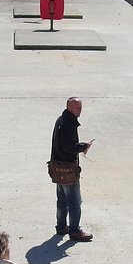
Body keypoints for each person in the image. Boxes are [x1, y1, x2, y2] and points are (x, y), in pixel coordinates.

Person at [51, 97, 93, 242]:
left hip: (58, 168)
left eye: (80, 107)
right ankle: (75, 231)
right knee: (74, 202)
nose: (79, 110)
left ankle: (61, 227)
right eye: (76, 108)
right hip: (68, 170)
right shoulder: (68, 124)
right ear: (69, 107)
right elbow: (69, 147)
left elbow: (62, 145)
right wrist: (84, 146)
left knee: (62, 200)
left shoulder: (61, 120)